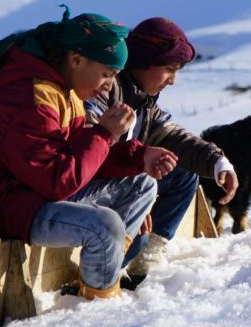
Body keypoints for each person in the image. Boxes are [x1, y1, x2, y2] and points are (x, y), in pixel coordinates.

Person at [0, 7, 178, 300]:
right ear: (76, 59)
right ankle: (96, 305)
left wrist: (138, 157)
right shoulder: (31, 99)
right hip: (7, 204)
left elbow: (81, 154)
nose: (109, 86)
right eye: (106, 74)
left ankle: (101, 273)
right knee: (105, 226)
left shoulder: (66, 91)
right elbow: (55, 181)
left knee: (142, 184)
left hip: (37, 193)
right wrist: (104, 133)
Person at [86, 17, 238, 285]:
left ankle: (147, 252)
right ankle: (116, 264)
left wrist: (216, 162)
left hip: (122, 180)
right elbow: (90, 155)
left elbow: (170, 134)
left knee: (181, 171)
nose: (172, 81)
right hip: (92, 189)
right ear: (146, 61)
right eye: (170, 68)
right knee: (137, 234)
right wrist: (134, 198)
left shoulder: (142, 98)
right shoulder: (104, 87)